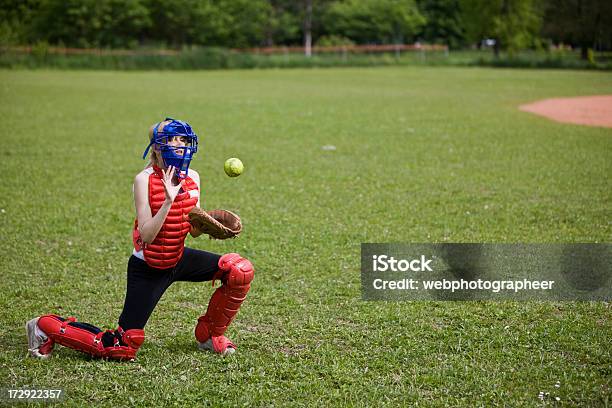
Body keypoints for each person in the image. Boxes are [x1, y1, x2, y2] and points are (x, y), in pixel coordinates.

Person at [25, 118, 254, 360]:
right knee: (121, 346)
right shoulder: (144, 180)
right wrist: (168, 200)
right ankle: (43, 326)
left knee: (239, 271)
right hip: (148, 267)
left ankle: (209, 335)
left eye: (184, 140)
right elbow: (147, 234)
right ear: (157, 146)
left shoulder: (193, 178)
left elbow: (191, 227)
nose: (180, 145)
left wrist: (208, 225)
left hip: (177, 257)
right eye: (172, 139)